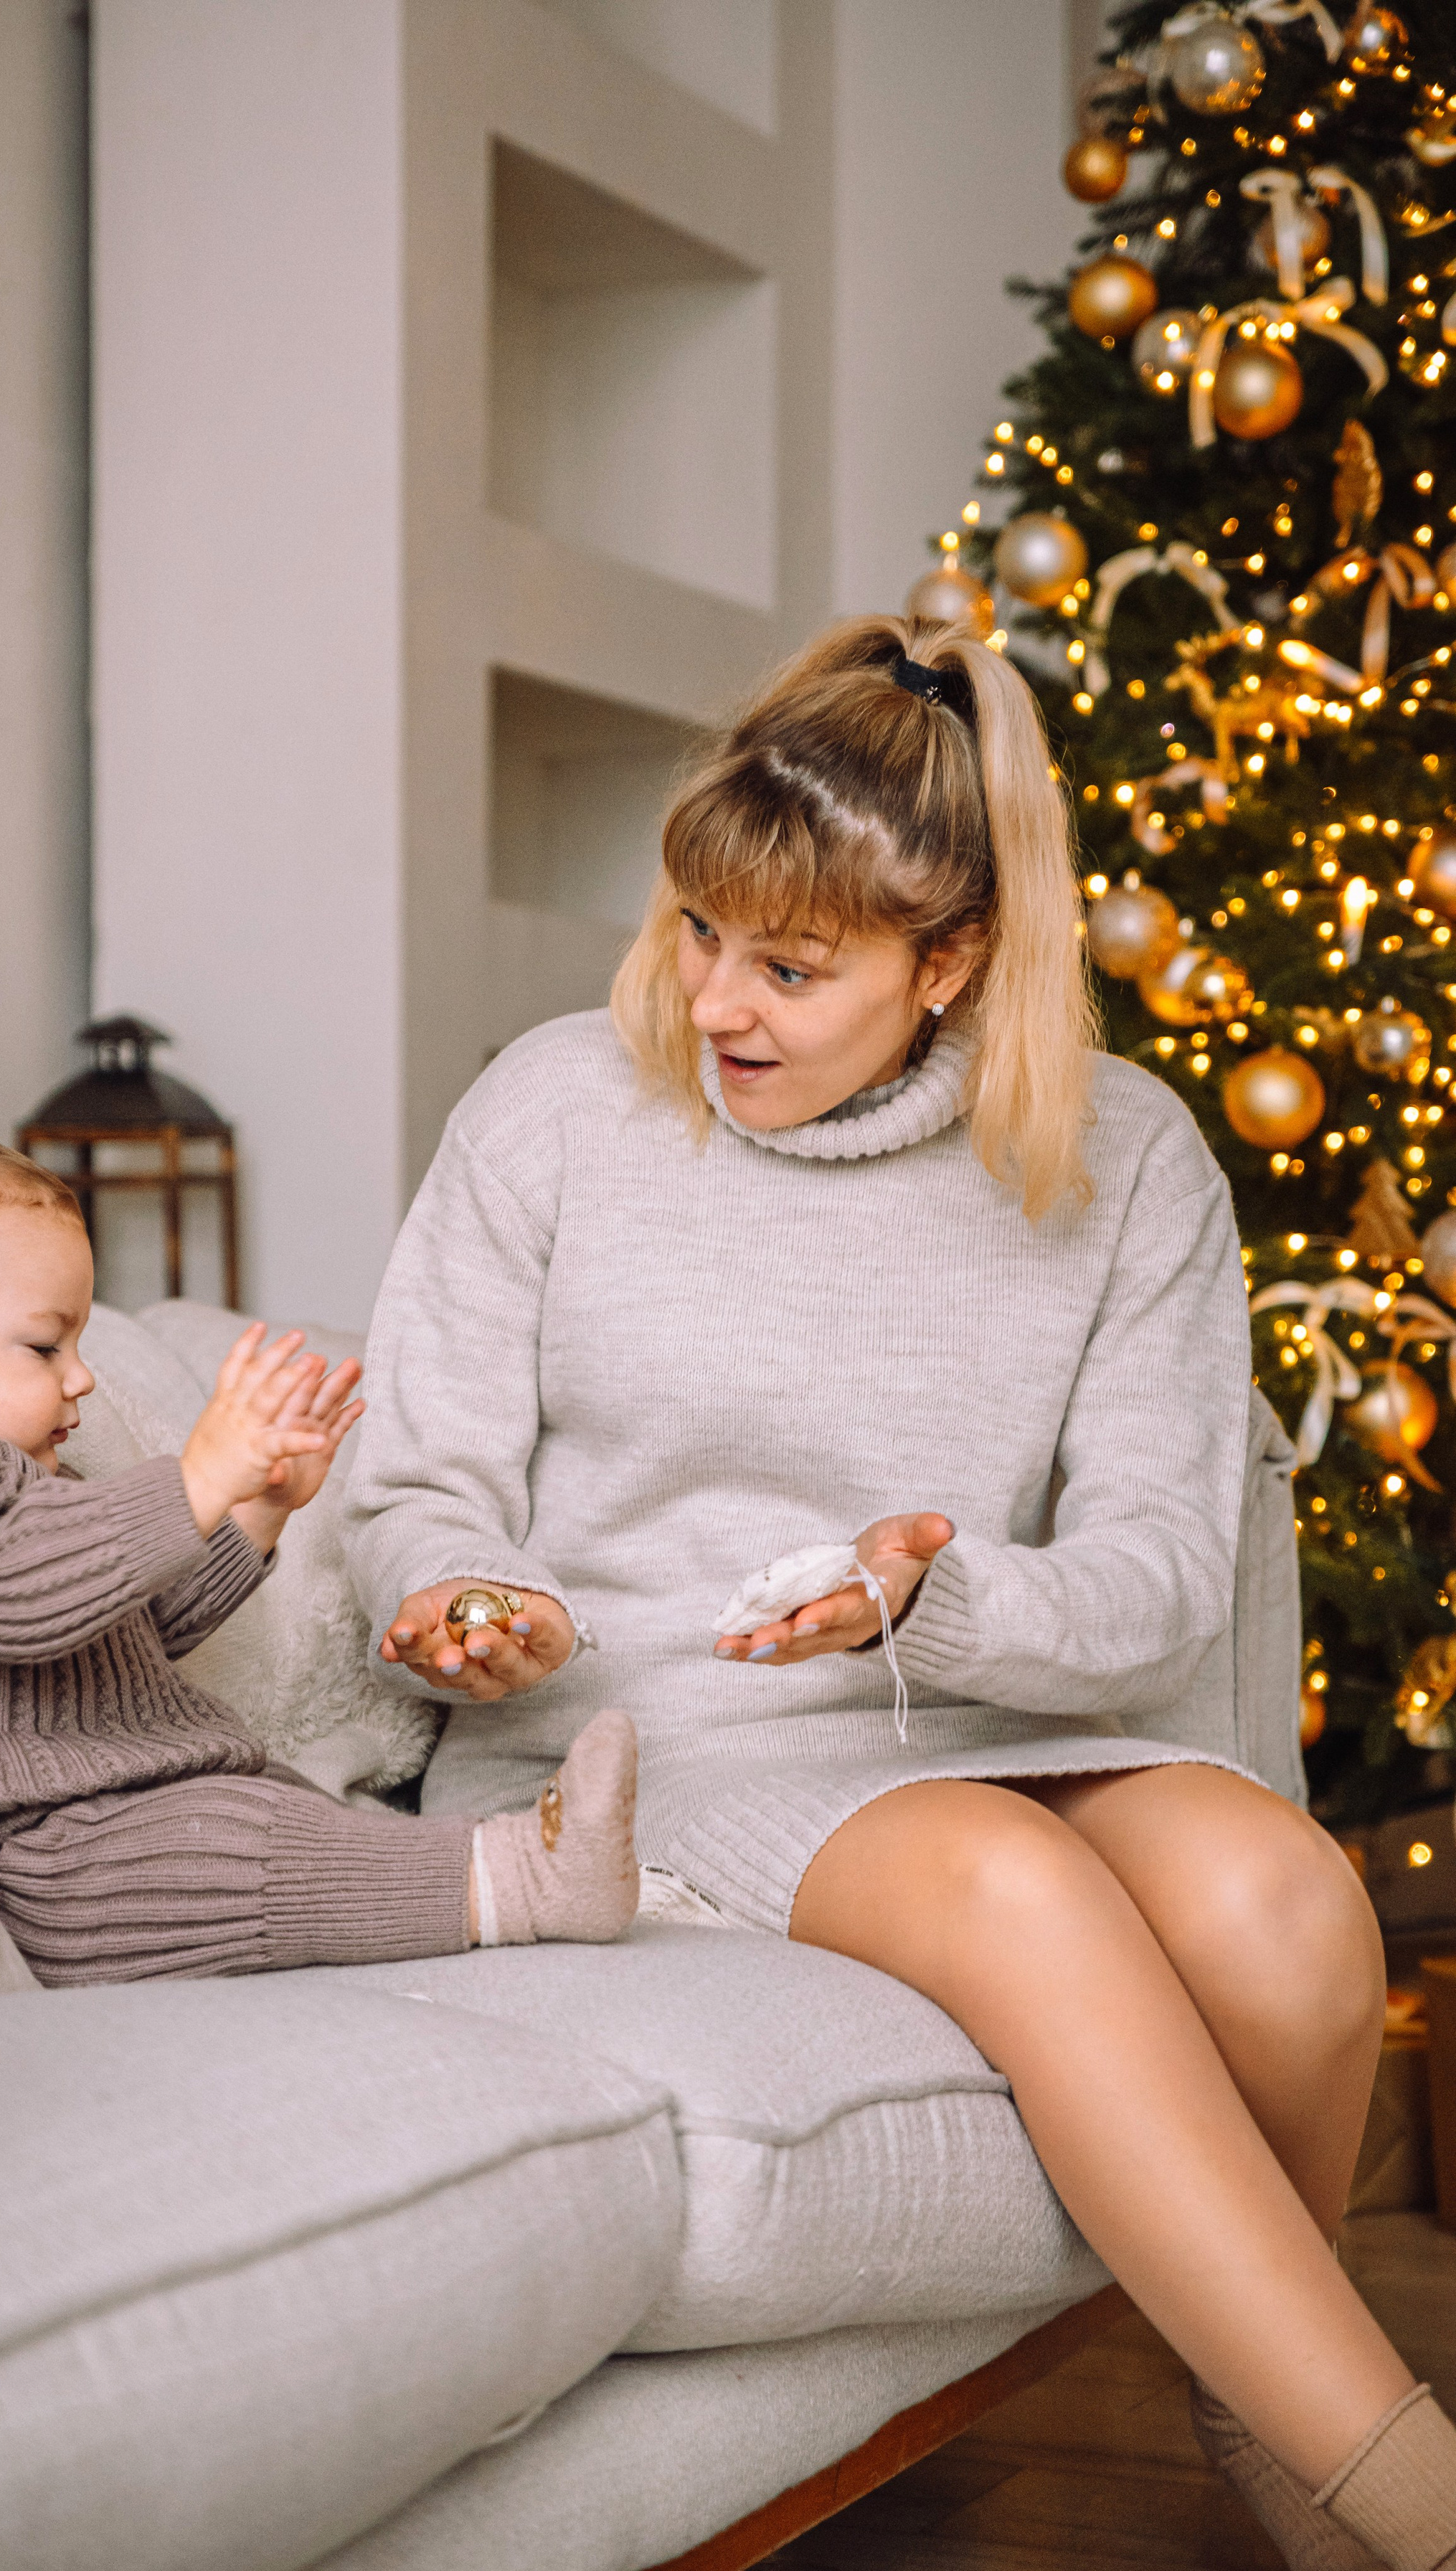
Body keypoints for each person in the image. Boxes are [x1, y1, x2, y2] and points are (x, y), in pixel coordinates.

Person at [344, 615, 1456, 2570]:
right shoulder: (547, 1110)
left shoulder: (1127, 1165)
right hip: (644, 1732)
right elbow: (425, 1485)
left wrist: (923, 1608)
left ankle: (1258, 2410)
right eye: (700, 933)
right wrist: (463, 1598)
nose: (717, 1005)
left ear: (950, 961)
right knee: (1017, 1887)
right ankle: (1409, 2484)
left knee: (1289, 1904)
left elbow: (1161, 1578)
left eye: (792, 965)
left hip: (977, 1703)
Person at [0, 1110, 638, 1985]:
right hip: (51, 1859)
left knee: (283, 1820)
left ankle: (506, 1865)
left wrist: (254, 1511)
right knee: (244, 1845)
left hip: (147, 1811)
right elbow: (12, 1591)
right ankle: (526, 1876)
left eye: (79, 1343)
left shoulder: (5, 1489)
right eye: (43, 1344)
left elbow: (130, 1622)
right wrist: (197, 1477)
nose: (81, 1376)